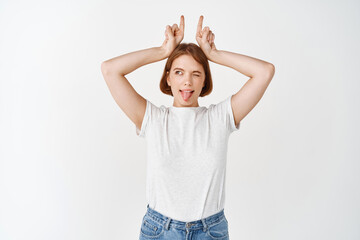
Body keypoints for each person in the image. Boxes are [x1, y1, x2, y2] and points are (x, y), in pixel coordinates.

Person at [101, 15, 275, 240]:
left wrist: (214, 54)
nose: (187, 82)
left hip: (210, 231)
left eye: (196, 74)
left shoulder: (219, 118)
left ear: (204, 81)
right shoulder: (153, 119)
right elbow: (109, 70)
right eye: (179, 72)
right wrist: (162, 51)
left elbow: (265, 72)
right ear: (169, 78)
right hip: (160, 230)